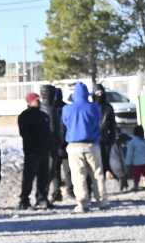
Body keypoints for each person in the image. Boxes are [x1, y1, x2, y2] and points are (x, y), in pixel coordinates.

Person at [62, 82, 106, 213]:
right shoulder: (94, 108)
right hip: (92, 144)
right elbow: (98, 121)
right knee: (97, 174)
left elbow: (65, 123)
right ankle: (102, 201)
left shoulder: (67, 109)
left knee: (78, 175)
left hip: (74, 146)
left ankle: (82, 202)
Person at [17, 91, 52, 210]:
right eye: (36, 100)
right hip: (31, 151)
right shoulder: (24, 116)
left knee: (43, 177)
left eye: (38, 99)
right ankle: (24, 200)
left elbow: (48, 132)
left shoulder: (44, 115)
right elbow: (24, 133)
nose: (38, 101)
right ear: (29, 102)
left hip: (44, 150)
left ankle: (42, 198)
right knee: (28, 177)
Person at [44, 85, 71, 203]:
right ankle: (66, 190)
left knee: (57, 170)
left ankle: (59, 191)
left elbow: (61, 127)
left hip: (60, 143)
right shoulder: (61, 108)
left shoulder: (54, 109)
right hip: (63, 142)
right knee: (64, 169)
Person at [94, 84, 120, 189]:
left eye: (101, 92)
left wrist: (112, 137)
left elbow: (113, 124)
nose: (100, 95)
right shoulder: (92, 107)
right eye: (97, 93)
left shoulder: (108, 107)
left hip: (105, 139)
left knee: (104, 163)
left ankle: (102, 186)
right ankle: (95, 186)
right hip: (94, 139)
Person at [124, 125, 145, 190]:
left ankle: (136, 185)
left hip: (136, 163)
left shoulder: (132, 143)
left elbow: (130, 154)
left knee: (136, 175)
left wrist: (127, 163)